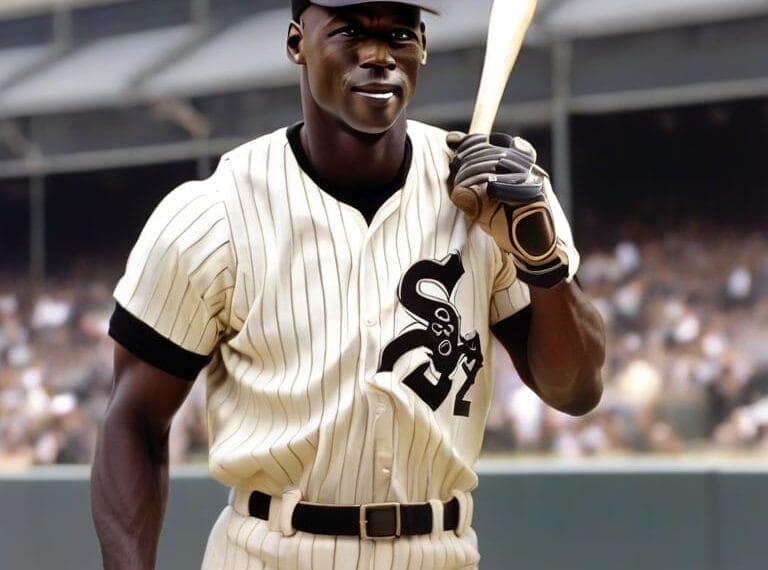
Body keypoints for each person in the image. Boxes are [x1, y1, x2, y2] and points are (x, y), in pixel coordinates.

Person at [91, 1, 605, 568]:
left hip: (438, 550)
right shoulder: (216, 213)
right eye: (352, 31)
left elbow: (576, 390)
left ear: (424, 48)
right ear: (297, 44)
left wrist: (541, 258)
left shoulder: (496, 191)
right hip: (272, 551)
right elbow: (134, 422)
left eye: (400, 34)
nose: (379, 55)